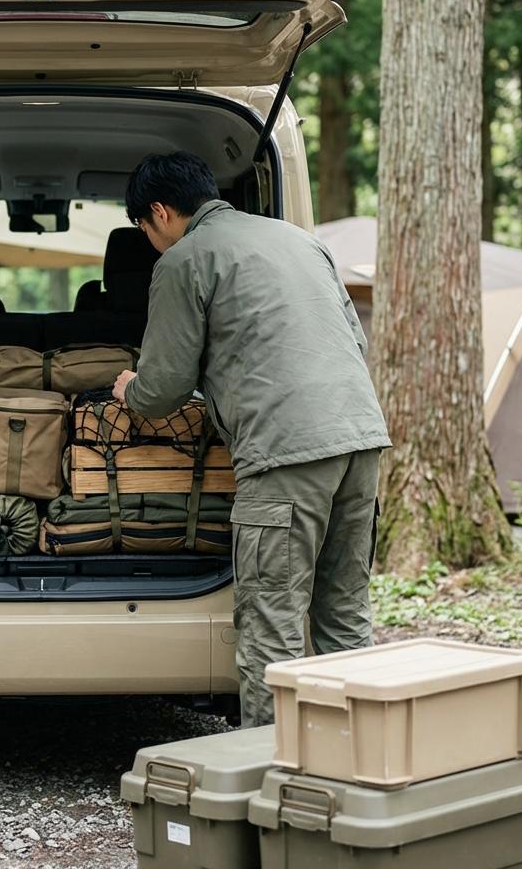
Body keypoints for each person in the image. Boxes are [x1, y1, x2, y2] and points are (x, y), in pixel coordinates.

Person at [113, 151, 390, 728]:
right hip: (360, 437)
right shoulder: (299, 240)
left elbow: (164, 387)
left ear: (159, 213)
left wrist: (128, 389)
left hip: (285, 453)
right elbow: (353, 344)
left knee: (272, 620)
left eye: (144, 230)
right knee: (344, 613)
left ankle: (274, 779)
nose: (150, 242)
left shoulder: (185, 259)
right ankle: (358, 763)